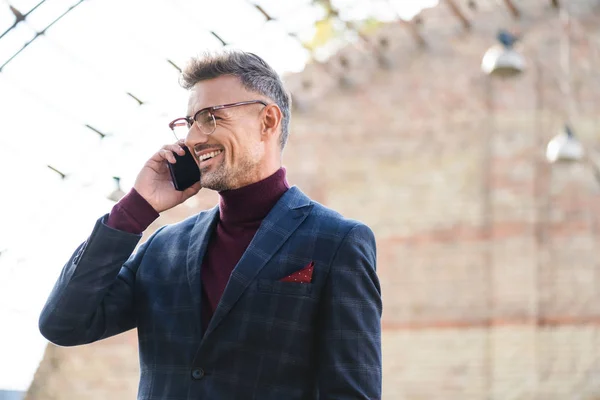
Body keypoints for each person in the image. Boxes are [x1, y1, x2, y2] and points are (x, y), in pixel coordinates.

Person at [39, 50, 382, 400]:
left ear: (268, 121)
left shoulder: (338, 241)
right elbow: (64, 324)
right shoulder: (163, 247)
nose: (191, 139)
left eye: (210, 118)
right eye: (189, 123)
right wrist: (135, 209)